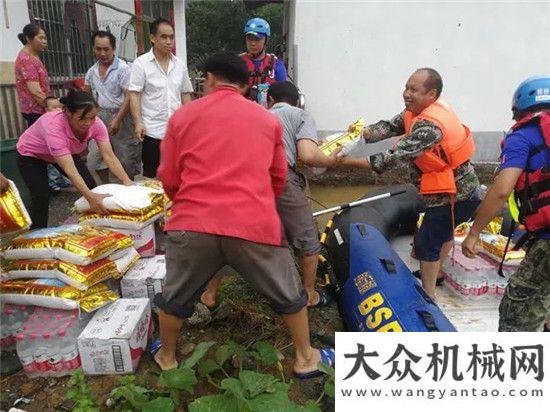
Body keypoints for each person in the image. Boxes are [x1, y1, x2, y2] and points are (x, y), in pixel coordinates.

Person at [152, 52, 334, 377]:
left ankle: (167, 357)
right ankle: (305, 359)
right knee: (289, 294)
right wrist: (257, 205)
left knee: (174, 297)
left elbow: (168, 176)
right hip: (253, 223)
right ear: (247, 85)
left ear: (208, 79)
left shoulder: (182, 117)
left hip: (194, 221)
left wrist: (188, 205)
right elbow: (278, 177)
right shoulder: (267, 120)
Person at [338, 68, 481, 300]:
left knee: (427, 243)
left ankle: (428, 296)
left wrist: (342, 162)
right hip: (448, 188)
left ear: (431, 94)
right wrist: (359, 134)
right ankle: (438, 274)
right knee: (441, 235)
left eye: (413, 90)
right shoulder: (415, 111)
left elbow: (389, 159)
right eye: (406, 87)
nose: (406, 93)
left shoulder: (429, 127)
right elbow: (389, 126)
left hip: (454, 193)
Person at [201, 81, 339, 309]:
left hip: (240, 179)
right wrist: (331, 160)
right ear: (297, 102)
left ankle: (209, 294)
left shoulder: (254, 115)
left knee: (231, 239)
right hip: (278, 176)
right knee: (307, 238)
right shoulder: (300, 115)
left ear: (271, 100)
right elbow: (308, 154)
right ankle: (309, 296)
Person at [462, 75, 550, 331]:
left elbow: (501, 190)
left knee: (517, 310)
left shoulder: (523, 137)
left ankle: (519, 366)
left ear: (518, 108)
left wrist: (474, 233)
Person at [16, 89, 133, 229]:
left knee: (91, 185)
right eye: (82, 119)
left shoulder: (97, 124)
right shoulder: (54, 127)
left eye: (92, 117)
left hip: (64, 151)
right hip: (31, 154)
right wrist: (90, 198)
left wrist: (126, 181)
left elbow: (109, 156)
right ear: (68, 113)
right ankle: (35, 236)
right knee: (41, 196)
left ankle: (97, 226)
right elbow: (70, 171)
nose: (88, 123)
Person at [128, 18, 193, 178]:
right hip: (152, 130)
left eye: (171, 37)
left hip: (176, 130)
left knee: (179, 171)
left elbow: (185, 93)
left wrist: (190, 123)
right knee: (152, 173)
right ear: (152, 38)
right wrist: (138, 122)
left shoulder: (179, 65)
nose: (169, 41)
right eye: (163, 37)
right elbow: (134, 94)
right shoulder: (141, 64)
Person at [84, 30, 141, 183]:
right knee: (96, 158)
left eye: (106, 49)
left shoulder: (123, 69)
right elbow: (87, 95)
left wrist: (117, 119)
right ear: (93, 49)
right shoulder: (92, 71)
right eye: (98, 49)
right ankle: (106, 187)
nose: (102, 53)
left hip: (122, 116)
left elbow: (130, 97)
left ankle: (128, 192)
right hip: (99, 116)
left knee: (126, 158)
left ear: (113, 48)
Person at [240, 17, 287, 105]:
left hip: (268, 112)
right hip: (242, 111)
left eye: (257, 39)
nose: (253, 43)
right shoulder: (237, 63)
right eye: (249, 39)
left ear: (266, 40)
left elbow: (282, 95)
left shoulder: (277, 64)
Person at [15, 23, 51, 127]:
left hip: (40, 107)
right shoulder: (26, 60)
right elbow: (35, 91)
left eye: (45, 38)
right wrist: (50, 106)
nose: (44, 41)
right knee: (39, 141)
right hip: (35, 109)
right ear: (28, 38)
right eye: (41, 38)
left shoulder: (34, 56)